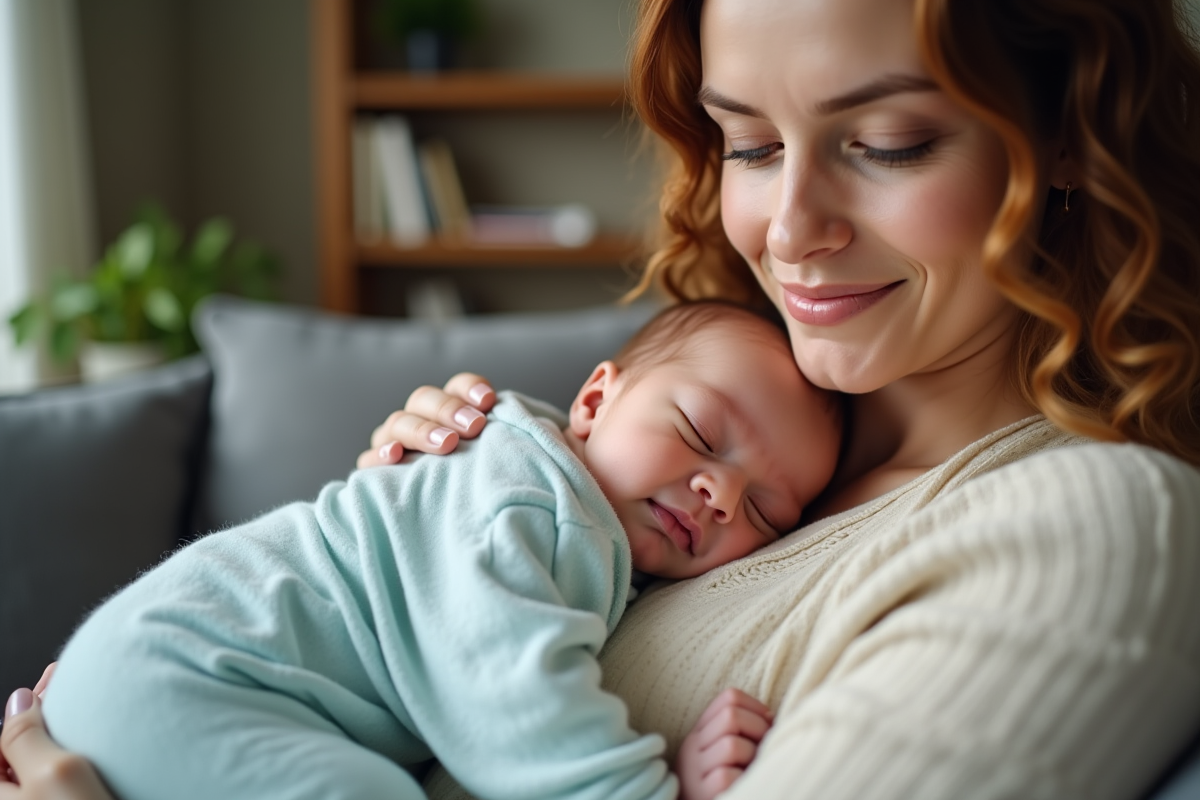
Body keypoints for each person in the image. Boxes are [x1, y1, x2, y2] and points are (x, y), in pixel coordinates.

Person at [6, 0, 1200, 797]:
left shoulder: (1092, 524)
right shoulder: (675, 463)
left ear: (1068, 154)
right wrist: (410, 525)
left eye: (885, 141)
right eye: (750, 144)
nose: (789, 230)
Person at [30, 301, 842, 800]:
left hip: (155, 674)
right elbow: (511, 693)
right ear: (595, 399)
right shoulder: (530, 498)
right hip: (191, 673)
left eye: (766, 513)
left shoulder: (587, 535)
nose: (723, 496)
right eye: (700, 433)